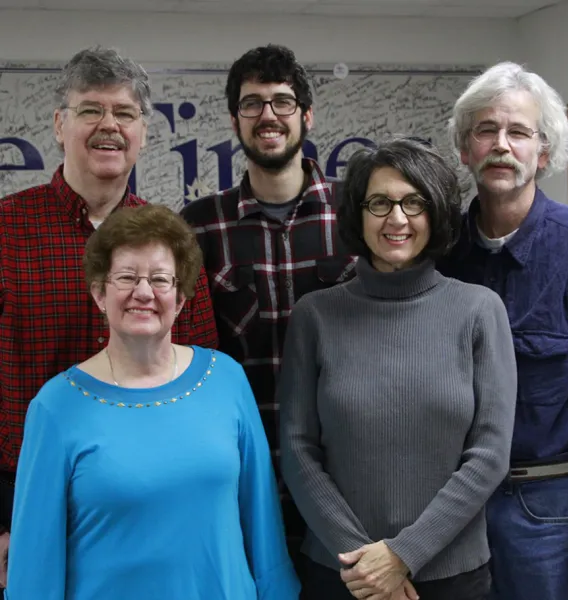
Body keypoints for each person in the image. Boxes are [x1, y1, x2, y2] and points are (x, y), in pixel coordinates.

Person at [0, 46, 218, 586]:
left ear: (144, 131)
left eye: (125, 113)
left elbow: (201, 380)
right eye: (90, 110)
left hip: (153, 496)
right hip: (21, 497)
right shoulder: (6, 230)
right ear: (58, 124)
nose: (109, 126)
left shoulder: (171, 240)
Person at [5, 204, 299, 600]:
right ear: (99, 293)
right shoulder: (55, 407)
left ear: (179, 300)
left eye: (160, 279)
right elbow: (34, 565)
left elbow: (262, 520)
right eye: (127, 277)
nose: (143, 292)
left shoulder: (225, 378)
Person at [278, 137, 517, 600]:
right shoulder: (315, 315)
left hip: (452, 578)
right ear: (358, 214)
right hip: (341, 574)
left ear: (437, 213)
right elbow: (297, 448)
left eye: (414, 202)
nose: (397, 218)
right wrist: (366, 565)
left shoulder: (479, 311)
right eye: (380, 202)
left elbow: (490, 455)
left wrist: (403, 555)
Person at [180, 44, 356, 562]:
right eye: (252, 104)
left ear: (306, 114)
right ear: (235, 119)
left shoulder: (359, 212)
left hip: (346, 473)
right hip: (243, 475)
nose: (268, 116)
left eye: (282, 102)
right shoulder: (199, 225)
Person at [438, 61, 568, 600]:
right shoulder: (439, 255)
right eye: (486, 130)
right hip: (452, 510)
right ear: (465, 150)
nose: (501, 144)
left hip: (549, 512)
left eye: (519, 132)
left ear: (544, 153)